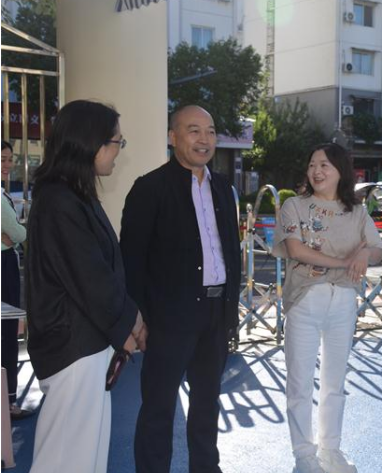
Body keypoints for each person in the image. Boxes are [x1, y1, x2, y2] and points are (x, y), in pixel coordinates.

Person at [25, 100, 145, 473]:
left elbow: (99, 271)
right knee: (66, 459)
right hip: (73, 347)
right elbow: (90, 276)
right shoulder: (60, 200)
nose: (119, 151)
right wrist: (129, 325)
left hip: (84, 345)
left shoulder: (72, 195)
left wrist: (128, 322)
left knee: (83, 457)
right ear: (91, 144)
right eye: (117, 142)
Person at [120, 105, 241, 473]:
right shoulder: (149, 188)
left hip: (215, 317)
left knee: (207, 407)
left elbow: (230, 252)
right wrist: (138, 319)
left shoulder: (223, 187)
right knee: (158, 409)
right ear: (173, 137)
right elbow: (132, 261)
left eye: (210, 131)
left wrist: (230, 314)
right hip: (168, 320)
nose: (204, 139)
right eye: (194, 130)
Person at [274, 143, 382, 473]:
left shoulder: (357, 211)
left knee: (335, 381)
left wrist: (363, 254)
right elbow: (296, 250)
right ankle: (304, 456)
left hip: (344, 301)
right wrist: (345, 261)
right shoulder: (294, 205)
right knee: (300, 382)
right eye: (312, 165)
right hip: (305, 300)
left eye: (324, 165)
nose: (316, 171)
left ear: (340, 171)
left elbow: (377, 249)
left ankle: (330, 450)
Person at [1, 140, 33, 420]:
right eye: (2, 159)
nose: (8, 165)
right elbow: (18, 233)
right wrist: (13, 234)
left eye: (10, 159)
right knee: (7, 334)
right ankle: (8, 403)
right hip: (4, 266)